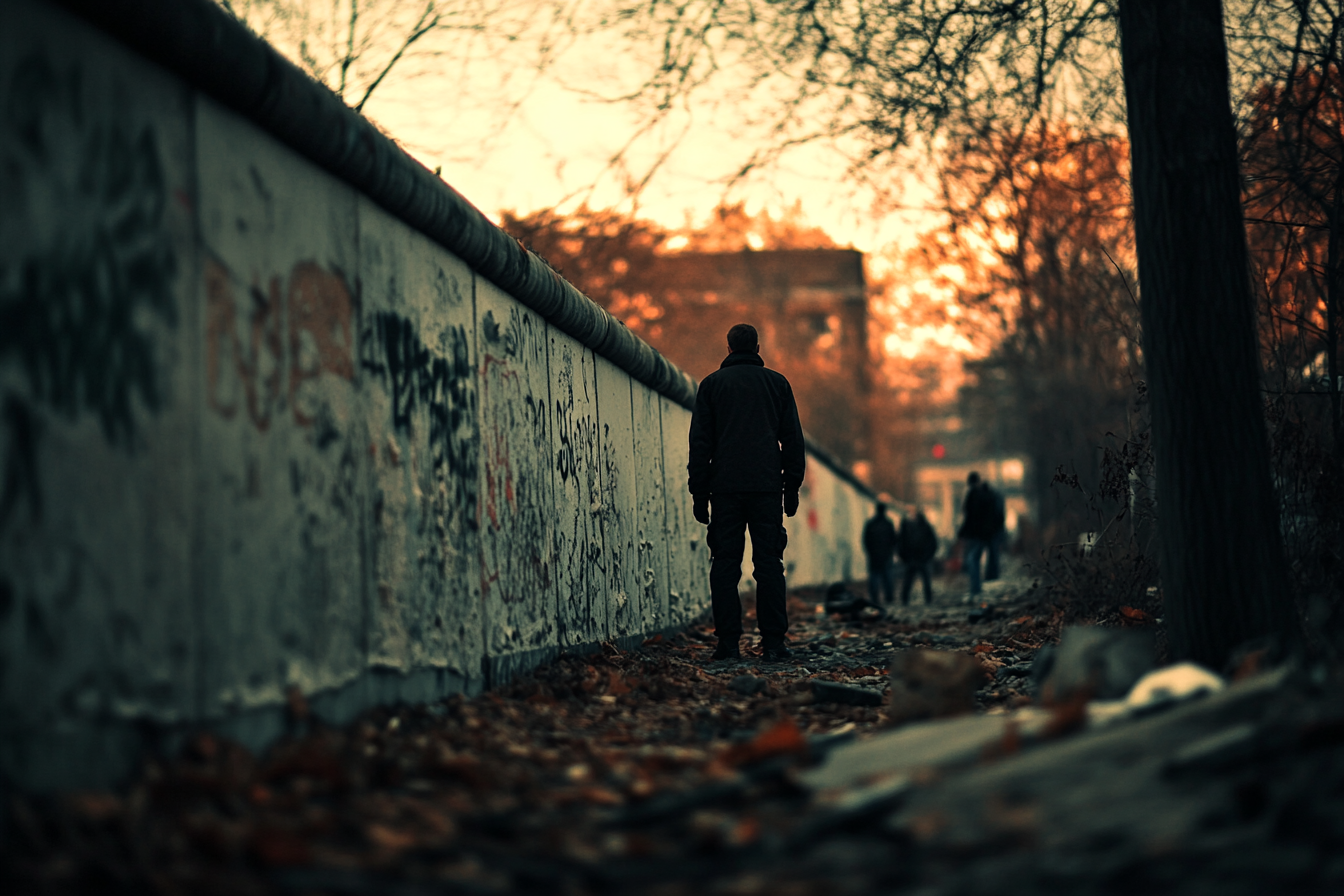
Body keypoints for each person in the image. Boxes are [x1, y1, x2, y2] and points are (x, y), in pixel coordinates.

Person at [688, 323, 806, 662]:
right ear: (757, 346)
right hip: (766, 488)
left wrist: (699, 492)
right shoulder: (777, 384)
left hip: (724, 490)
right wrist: (791, 487)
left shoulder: (711, 386)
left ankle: (727, 644)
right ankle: (773, 644)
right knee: (769, 564)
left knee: (724, 565)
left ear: (728, 348)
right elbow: (792, 440)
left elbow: (701, 444)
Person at [958, 471, 1005, 597]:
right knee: (983, 557)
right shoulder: (991, 495)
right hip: (987, 534)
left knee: (972, 559)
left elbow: (969, 517)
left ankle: (976, 588)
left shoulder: (973, 495)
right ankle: (986, 582)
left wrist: (962, 532)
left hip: (975, 534)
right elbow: (997, 516)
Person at [898, 507, 938, 605]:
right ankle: (928, 600)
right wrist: (928, 556)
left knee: (908, 580)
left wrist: (904, 557)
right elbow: (933, 543)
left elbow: (900, 543)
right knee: (925, 580)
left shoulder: (906, 526)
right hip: (922, 559)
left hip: (911, 559)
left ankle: (905, 600)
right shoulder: (926, 526)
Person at [862, 502, 899, 606]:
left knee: (874, 577)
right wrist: (891, 551)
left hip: (874, 555)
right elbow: (894, 539)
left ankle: (874, 598)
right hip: (886, 555)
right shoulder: (888, 524)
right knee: (888, 577)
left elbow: (866, 540)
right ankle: (889, 597)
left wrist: (870, 552)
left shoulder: (870, 523)